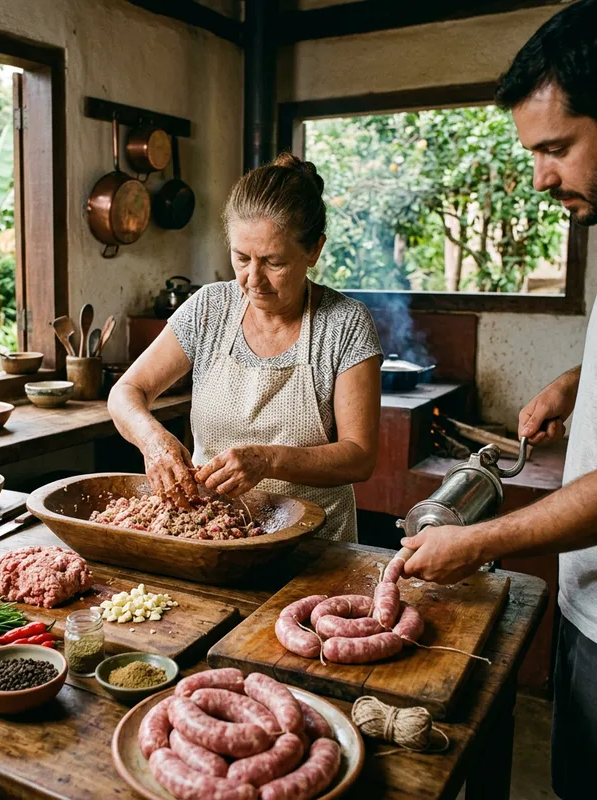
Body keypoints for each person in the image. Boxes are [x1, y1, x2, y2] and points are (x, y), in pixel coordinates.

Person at [398, 2, 597, 796]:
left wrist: (477, 544)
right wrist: (577, 383)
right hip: (586, 600)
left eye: (557, 147)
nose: (543, 177)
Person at [108, 152, 383, 541]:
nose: (253, 279)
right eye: (241, 258)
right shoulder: (209, 308)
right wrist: (152, 440)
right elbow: (125, 393)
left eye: (273, 262)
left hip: (315, 547)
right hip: (214, 536)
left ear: (313, 251)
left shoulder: (344, 323)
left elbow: (359, 456)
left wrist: (267, 459)